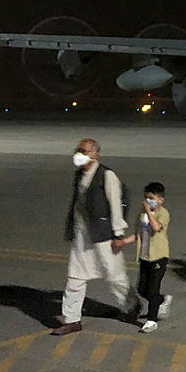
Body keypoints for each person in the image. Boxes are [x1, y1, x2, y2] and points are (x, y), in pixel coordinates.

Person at [52, 139, 139, 335]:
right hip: (82, 236)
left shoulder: (106, 176)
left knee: (114, 276)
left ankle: (132, 306)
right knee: (75, 277)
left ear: (95, 154)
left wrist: (118, 234)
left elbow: (116, 205)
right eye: (77, 150)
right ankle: (72, 319)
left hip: (103, 235)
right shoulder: (79, 175)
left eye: (83, 151)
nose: (78, 154)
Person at [121, 182, 171, 334]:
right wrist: (122, 242)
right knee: (142, 289)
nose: (147, 201)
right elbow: (137, 235)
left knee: (153, 289)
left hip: (158, 257)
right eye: (145, 198)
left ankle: (151, 320)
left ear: (160, 200)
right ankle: (162, 300)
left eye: (151, 198)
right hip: (144, 257)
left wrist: (149, 212)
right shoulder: (141, 215)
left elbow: (156, 228)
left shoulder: (163, 213)